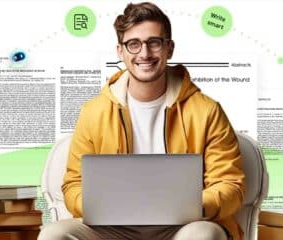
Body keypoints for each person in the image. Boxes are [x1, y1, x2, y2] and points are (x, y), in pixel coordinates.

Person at [38, 2, 245, 240]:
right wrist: (102, 207)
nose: (144, 54)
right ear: (120, 51)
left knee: (203, 235)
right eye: (133, 44)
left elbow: (230, 185)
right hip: (113, 228)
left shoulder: (207, 111)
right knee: (54, 234)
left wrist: (189, 207)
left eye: (154, 43)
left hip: (185, 224)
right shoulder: (93, 112)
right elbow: (74, 185)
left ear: (169, 48)